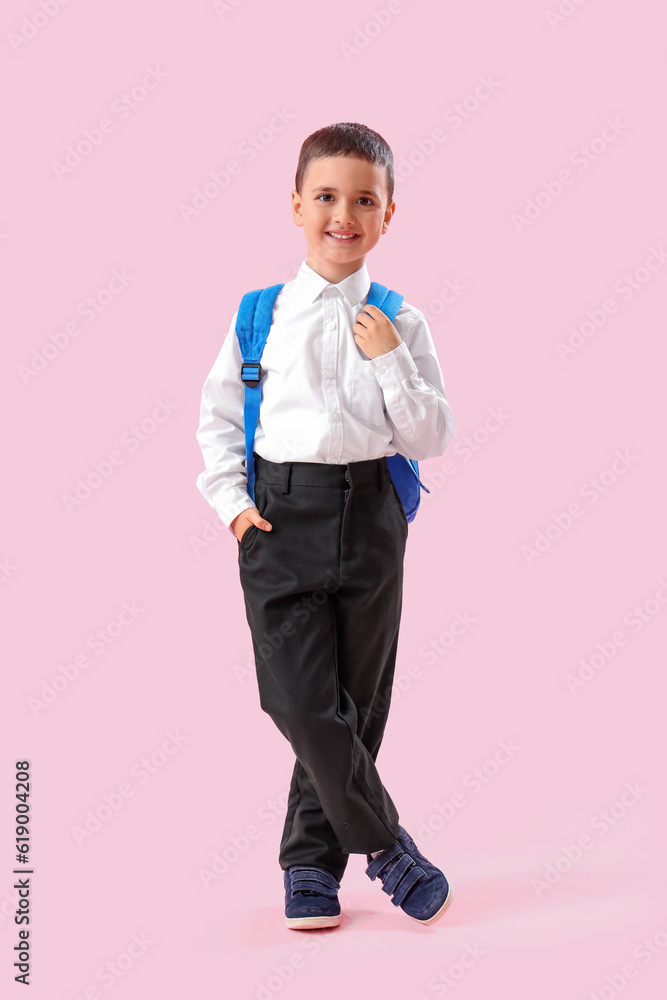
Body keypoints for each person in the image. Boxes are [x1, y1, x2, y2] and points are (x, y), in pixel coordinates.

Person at [195, 122, 456, 929]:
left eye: (364, 200)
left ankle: (310, 867)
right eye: (327, 197)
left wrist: (387, 360)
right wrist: (234, 509)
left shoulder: (399, 320)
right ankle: (384, 846)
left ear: (387, 216)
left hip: (371, 514)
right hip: (278, 518)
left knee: (355, 702)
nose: (344, 213)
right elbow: (218, 421)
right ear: (297, 206)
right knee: (297, 698)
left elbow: (430, 436)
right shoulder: (258, 315)